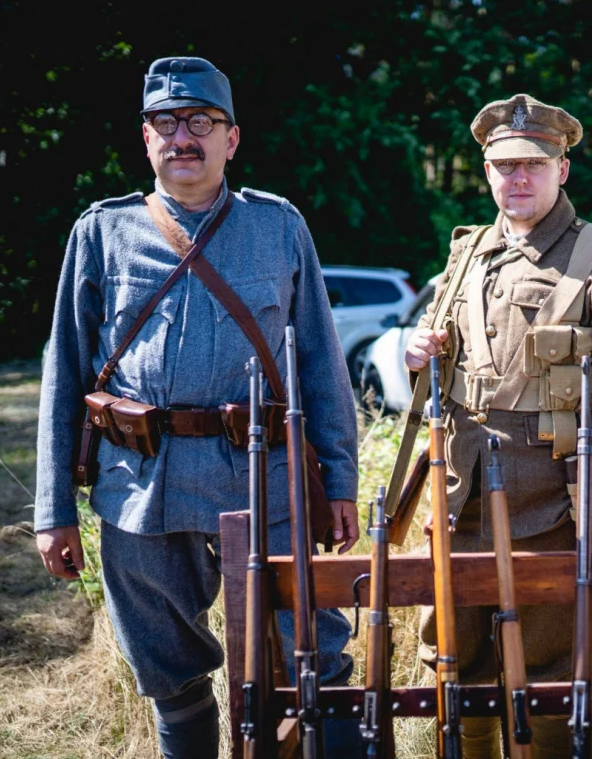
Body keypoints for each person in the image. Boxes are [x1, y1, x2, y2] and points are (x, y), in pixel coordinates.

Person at [34, 56, 362, 758]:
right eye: (167, 122)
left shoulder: (278, 227)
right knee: (169, 673)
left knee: (314, 659)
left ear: (232, 139)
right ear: (145, 137)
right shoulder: (102, 231)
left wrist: (339, 482)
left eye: (202, 122)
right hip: (142, 489)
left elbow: (321, 368)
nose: (185, 137)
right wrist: (52, 507)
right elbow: (63, 369)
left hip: (268, 480)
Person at [405, 93, 592, 757]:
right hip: (459, 501)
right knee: (452, 665)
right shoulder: (467, 253)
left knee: (550, 674)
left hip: (552, 505)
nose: (517, 178)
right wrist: (417, 355)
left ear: (562, 170)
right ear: (486, 171)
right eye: (503, 165)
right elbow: (449, 368)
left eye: (533, 165)